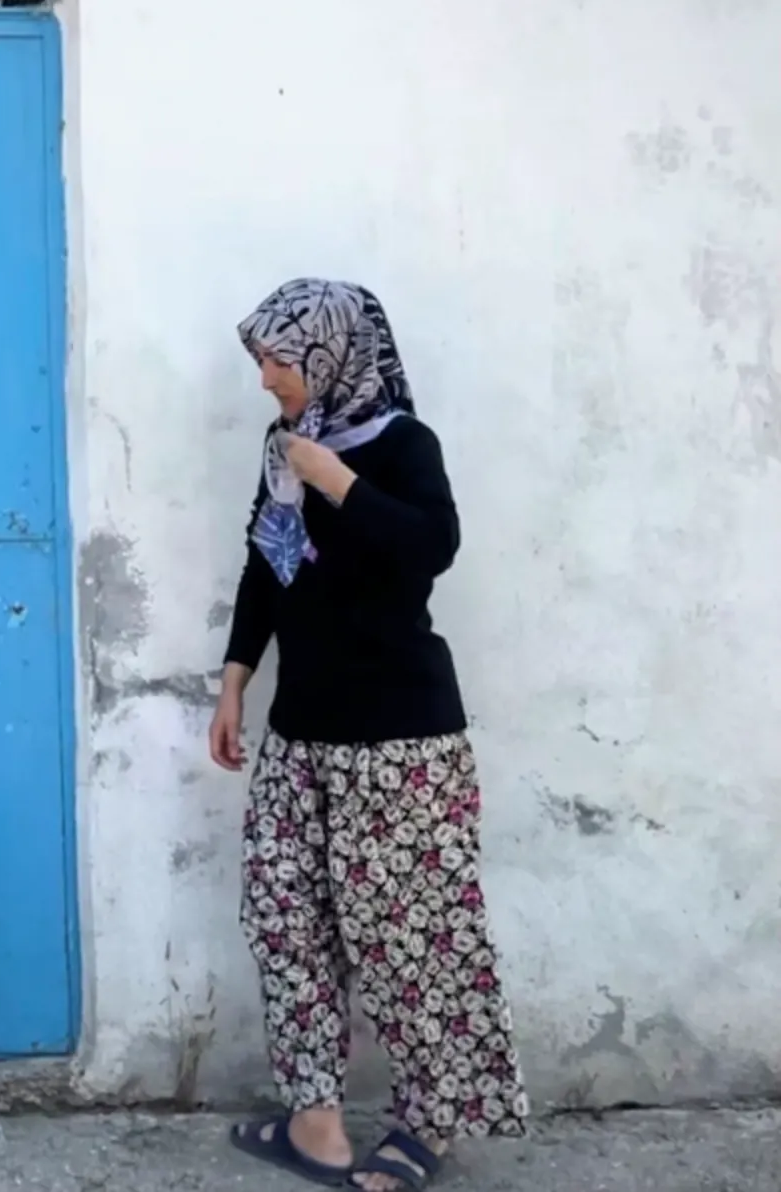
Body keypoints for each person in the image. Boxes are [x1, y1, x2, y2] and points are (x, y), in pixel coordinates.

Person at [209, 279, 529, 1192]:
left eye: (278, 360)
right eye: (263, 360)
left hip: (399, 741)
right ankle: (316, 1124)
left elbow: (432, 546)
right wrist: (234, 683)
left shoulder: (399, 445)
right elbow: (265, 571)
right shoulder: (285, 448)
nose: (267, 380)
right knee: (284, 917)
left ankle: (429, 1123)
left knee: (410, 939)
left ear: (330, 357)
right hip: (300, 733)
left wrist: (335, 481)